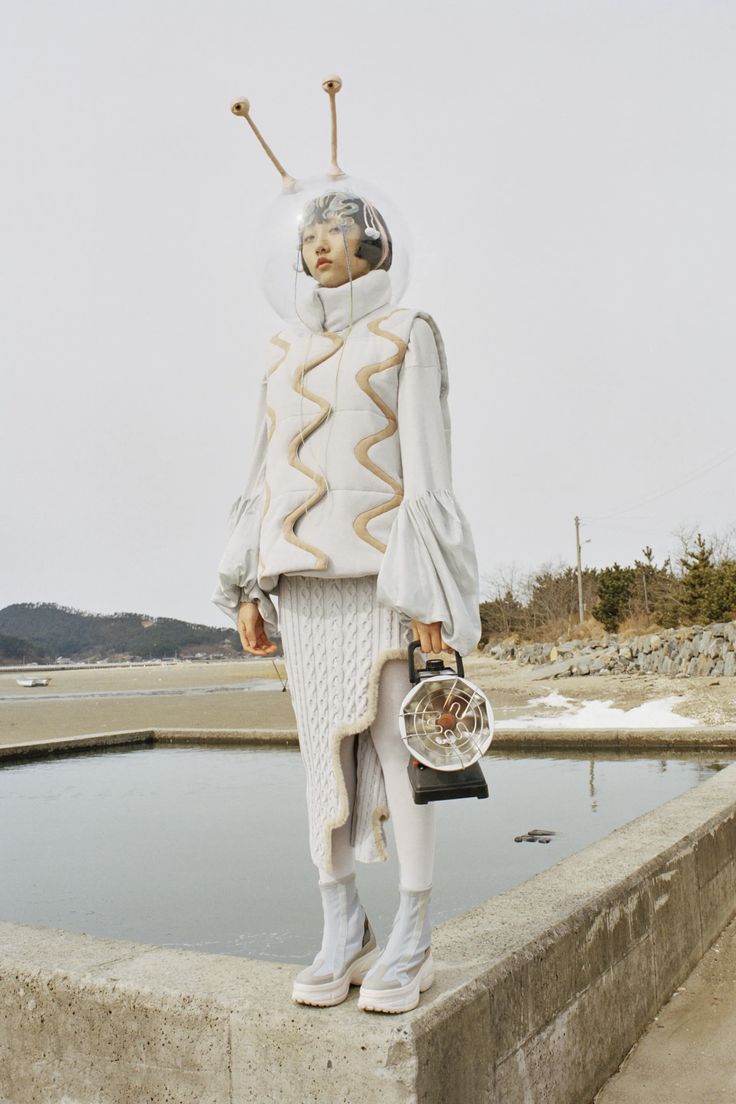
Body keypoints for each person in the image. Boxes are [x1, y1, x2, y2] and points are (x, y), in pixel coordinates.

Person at [212, 187, 481, 1014]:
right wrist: (246, 585)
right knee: (318, 761)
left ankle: (414, 930)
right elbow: (260, 474)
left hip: (384, 578)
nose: (319, 242)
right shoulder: (280, 349)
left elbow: (428, 470)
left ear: (372, 244)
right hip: (302, 585)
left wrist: (429, 591)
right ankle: (342, 925)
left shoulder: (409, 333)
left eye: (337, 228)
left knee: (406, 755)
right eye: (311, 230)